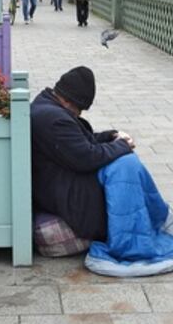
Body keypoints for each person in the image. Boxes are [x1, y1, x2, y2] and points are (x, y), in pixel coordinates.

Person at [30, 66, 136, 241]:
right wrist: (123, 146)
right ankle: (133, 229)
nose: (79, 113)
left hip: (54, 181)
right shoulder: (55, 119)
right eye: (80, 109)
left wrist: (110, 136)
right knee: (125, 172)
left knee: (126, 167)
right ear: (68, 101)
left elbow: (78, 141)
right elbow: (87, 157)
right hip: (62, 192)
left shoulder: (46, 105)